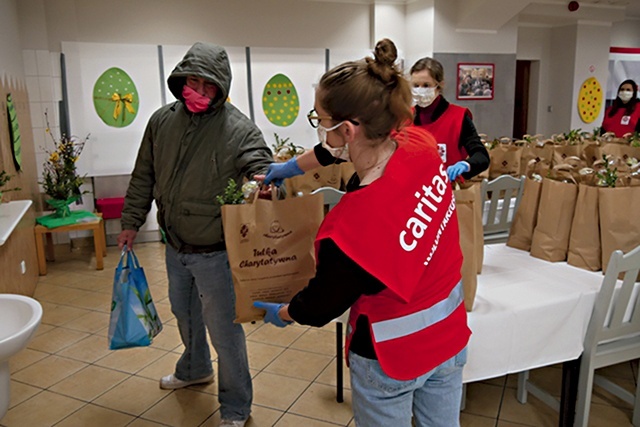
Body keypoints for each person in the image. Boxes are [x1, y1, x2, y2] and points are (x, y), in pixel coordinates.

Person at [254, 39, 471, 426]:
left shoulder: (350, 228)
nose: (321, 130)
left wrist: (286, 313)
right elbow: (334, 149)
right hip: (448, 336)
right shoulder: (419, 144)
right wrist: (290, 166)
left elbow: (322, 304)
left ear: (349, 129)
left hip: (391, 356)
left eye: (321, 121)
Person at [118, 42, 274, 427]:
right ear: (181, 80)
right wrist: (130, 221)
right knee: (185, 316)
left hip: (216, 253)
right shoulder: (161, 121)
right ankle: (194, 369)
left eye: (208, 86)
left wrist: (264, 178)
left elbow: (260, 161)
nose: (199, 92)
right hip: (174, 245)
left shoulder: (238, 128)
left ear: (221, 88)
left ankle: (237, 406)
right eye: (193, 82)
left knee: (225, 333)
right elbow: (144, 176)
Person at [263, 57, 489, 185]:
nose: (420, 91)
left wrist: (465, 165)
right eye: (416, 85)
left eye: (426, 85)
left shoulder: (456, 117)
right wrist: (290, 167)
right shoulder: (403, 119)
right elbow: (331, 151)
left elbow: (480, 155)